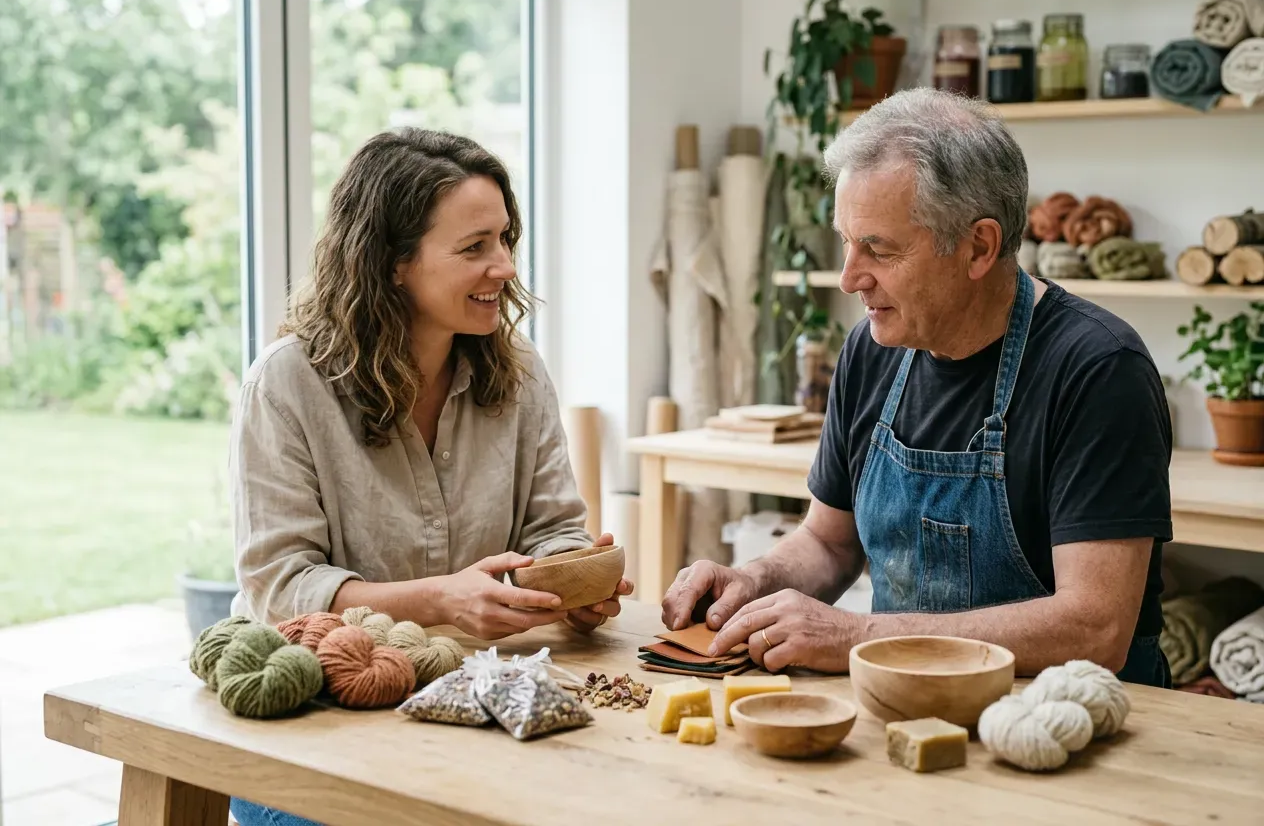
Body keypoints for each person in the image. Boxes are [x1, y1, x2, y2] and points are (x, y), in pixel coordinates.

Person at [661, 87, 1172, 688]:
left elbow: (1094, 627)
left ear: (978, 247)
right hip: (911, 703)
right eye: (847, 242)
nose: (850, 277)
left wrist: (857, 636)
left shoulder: (1098, 368)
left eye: (878, 249)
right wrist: (754, 581)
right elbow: (828, 543)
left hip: (1074, 716)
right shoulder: (872, 349)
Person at [227, 128, 630, 826]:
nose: (505, 266)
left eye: (505, 239)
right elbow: (281, 590)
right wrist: (441, 601)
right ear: (392, 263)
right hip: (312, 719)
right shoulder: (287, 384)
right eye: (474, 248)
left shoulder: (520, 371)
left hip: (470, 699)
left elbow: (552, 529)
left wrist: (570, 583)